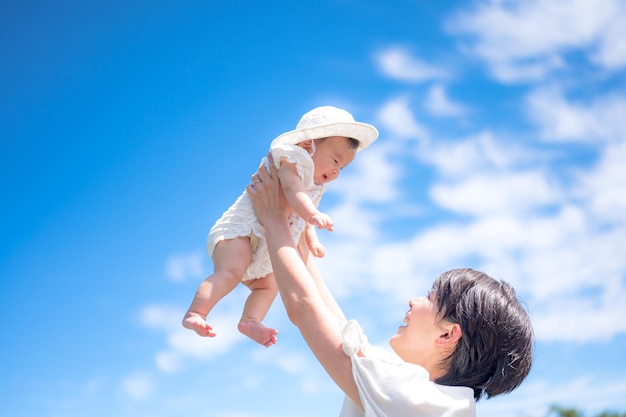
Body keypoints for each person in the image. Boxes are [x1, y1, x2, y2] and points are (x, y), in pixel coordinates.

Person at [246, 155, 534, 416]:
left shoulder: (416, 398)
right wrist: (296, 230)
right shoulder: (441, 401)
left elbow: (304, 308)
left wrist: (274, 219)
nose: (413, 301)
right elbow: (335, 324)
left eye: (429, 298)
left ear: (447, 333)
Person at [182, 106, 379, 347]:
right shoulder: (292, 161)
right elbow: (292, 191)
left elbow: (301, 217)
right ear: (308, 146)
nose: (336, 171)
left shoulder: (315, 187)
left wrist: (313, 238)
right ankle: (196, 313)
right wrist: (314, 213)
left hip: (265, 245)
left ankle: (250, 320)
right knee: (231, 273)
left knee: (268, 285)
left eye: (342, 168)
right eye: (335, 160)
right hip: (242, 232)